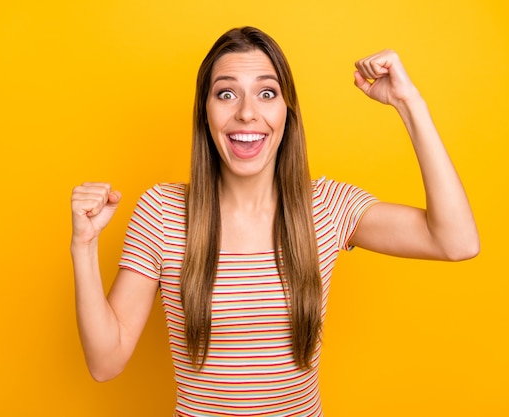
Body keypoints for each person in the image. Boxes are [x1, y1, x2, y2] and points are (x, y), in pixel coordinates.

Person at [70, 26, 479, 416]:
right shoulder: (163, 211)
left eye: (267, 93)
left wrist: (409, 103)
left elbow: (457, 242)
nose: (247, 113)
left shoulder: (327, 207)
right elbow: (106, 363)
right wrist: (84, 247)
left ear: (287, 113)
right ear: (205, 113)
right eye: (226, 94)